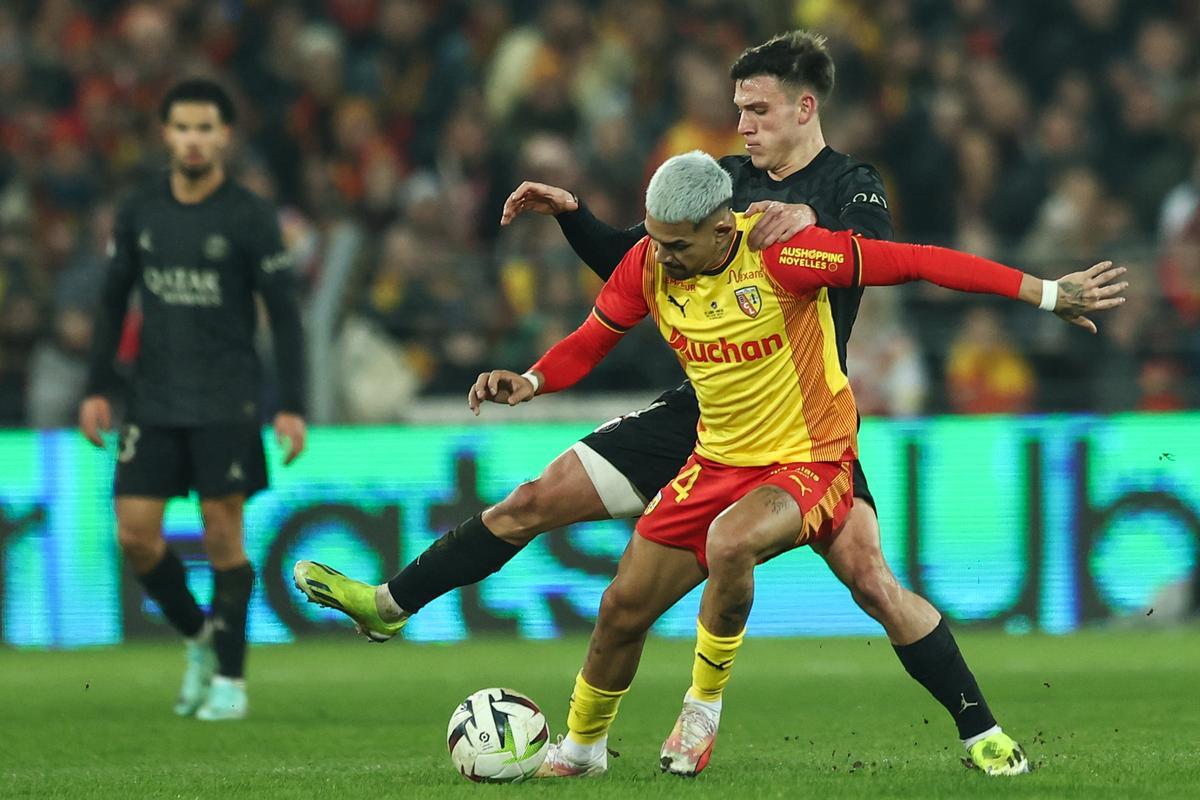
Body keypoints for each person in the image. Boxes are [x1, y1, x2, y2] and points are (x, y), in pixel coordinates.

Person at [294, 31, 1011, 771]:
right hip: (700, 409)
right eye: (738, 109)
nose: (744, 126)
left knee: (873, 582)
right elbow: (637, 258)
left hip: (797, 421)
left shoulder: (848, 183)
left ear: (805, 107)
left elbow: (874, 254)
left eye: (758, 109)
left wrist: (816, 229)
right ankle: (391, 606)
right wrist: (573, 214)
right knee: (534, 501)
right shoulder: (719, 181)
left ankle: (981, 731)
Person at [474, 151, 1126, 778]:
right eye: (655, 240)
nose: (660, 257)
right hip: (718, 459)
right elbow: (590, 342)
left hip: (810, 458)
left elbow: (921, 262)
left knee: (745, 545)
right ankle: (583, 747)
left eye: (677, 245)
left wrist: (1045, 294)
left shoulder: (787, 254)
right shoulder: (650, 261)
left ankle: (702, 710)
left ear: (722, 227)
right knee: (620, 607)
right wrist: (530, 380)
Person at [80, 78, 307, 721]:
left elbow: (285, 316)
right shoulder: (140, 211)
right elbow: (110, 300)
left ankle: (231, 680)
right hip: (152, 398)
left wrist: (289, 402)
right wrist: (96, 385)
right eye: (183, 127)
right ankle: (198, 636)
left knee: (224, 538)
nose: (194, 140)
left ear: (225, 136)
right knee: (136, 536)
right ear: (166, 134)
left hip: (226, 399)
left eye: (206, 128)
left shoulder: (249, 217)